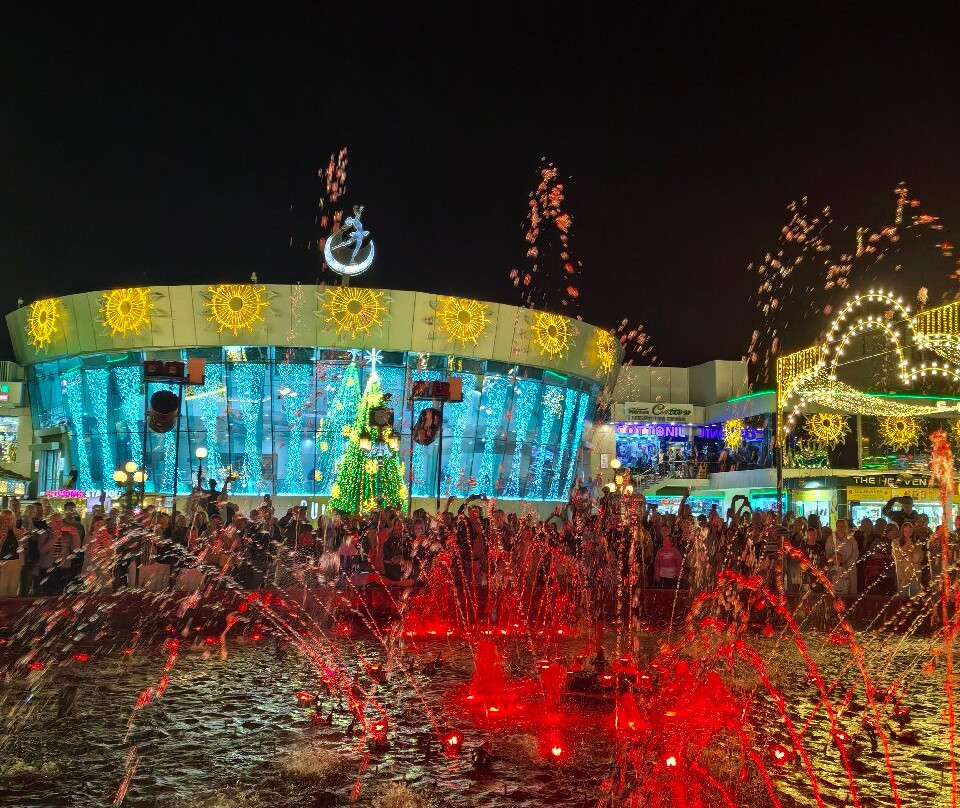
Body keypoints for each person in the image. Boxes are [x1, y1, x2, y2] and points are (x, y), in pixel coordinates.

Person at [37, 513, 81, 595]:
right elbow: (43, 550)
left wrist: (75, 534)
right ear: (49, 523)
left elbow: (76, 548)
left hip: (64, 565)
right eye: (56, 522)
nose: (59, 524)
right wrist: (55, 538)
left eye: (60, 522)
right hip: (48, 566)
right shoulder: (44, 533)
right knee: (48, 591)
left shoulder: (66, 534)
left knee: (61, 590)